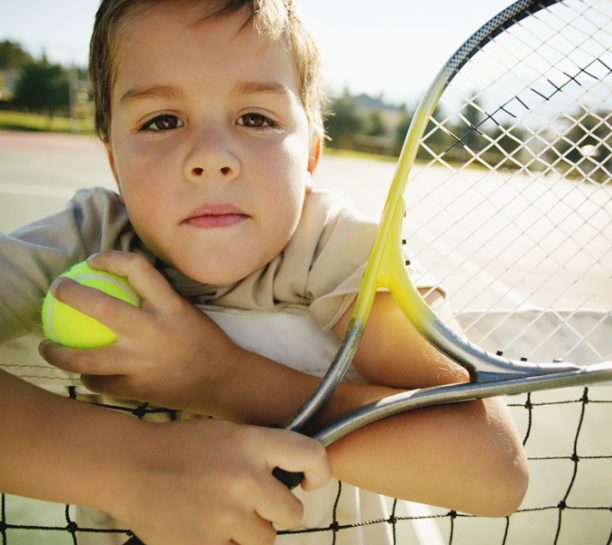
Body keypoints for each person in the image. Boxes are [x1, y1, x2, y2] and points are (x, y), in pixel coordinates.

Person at [0, 1, 529, 544]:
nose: (210, 157)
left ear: (311, 156)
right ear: (113, 160)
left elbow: (492, 470)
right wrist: (134, 467)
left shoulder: (340, 252)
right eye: (162, 121)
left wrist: (221, 377)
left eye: (256, 118)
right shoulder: (87, 243)